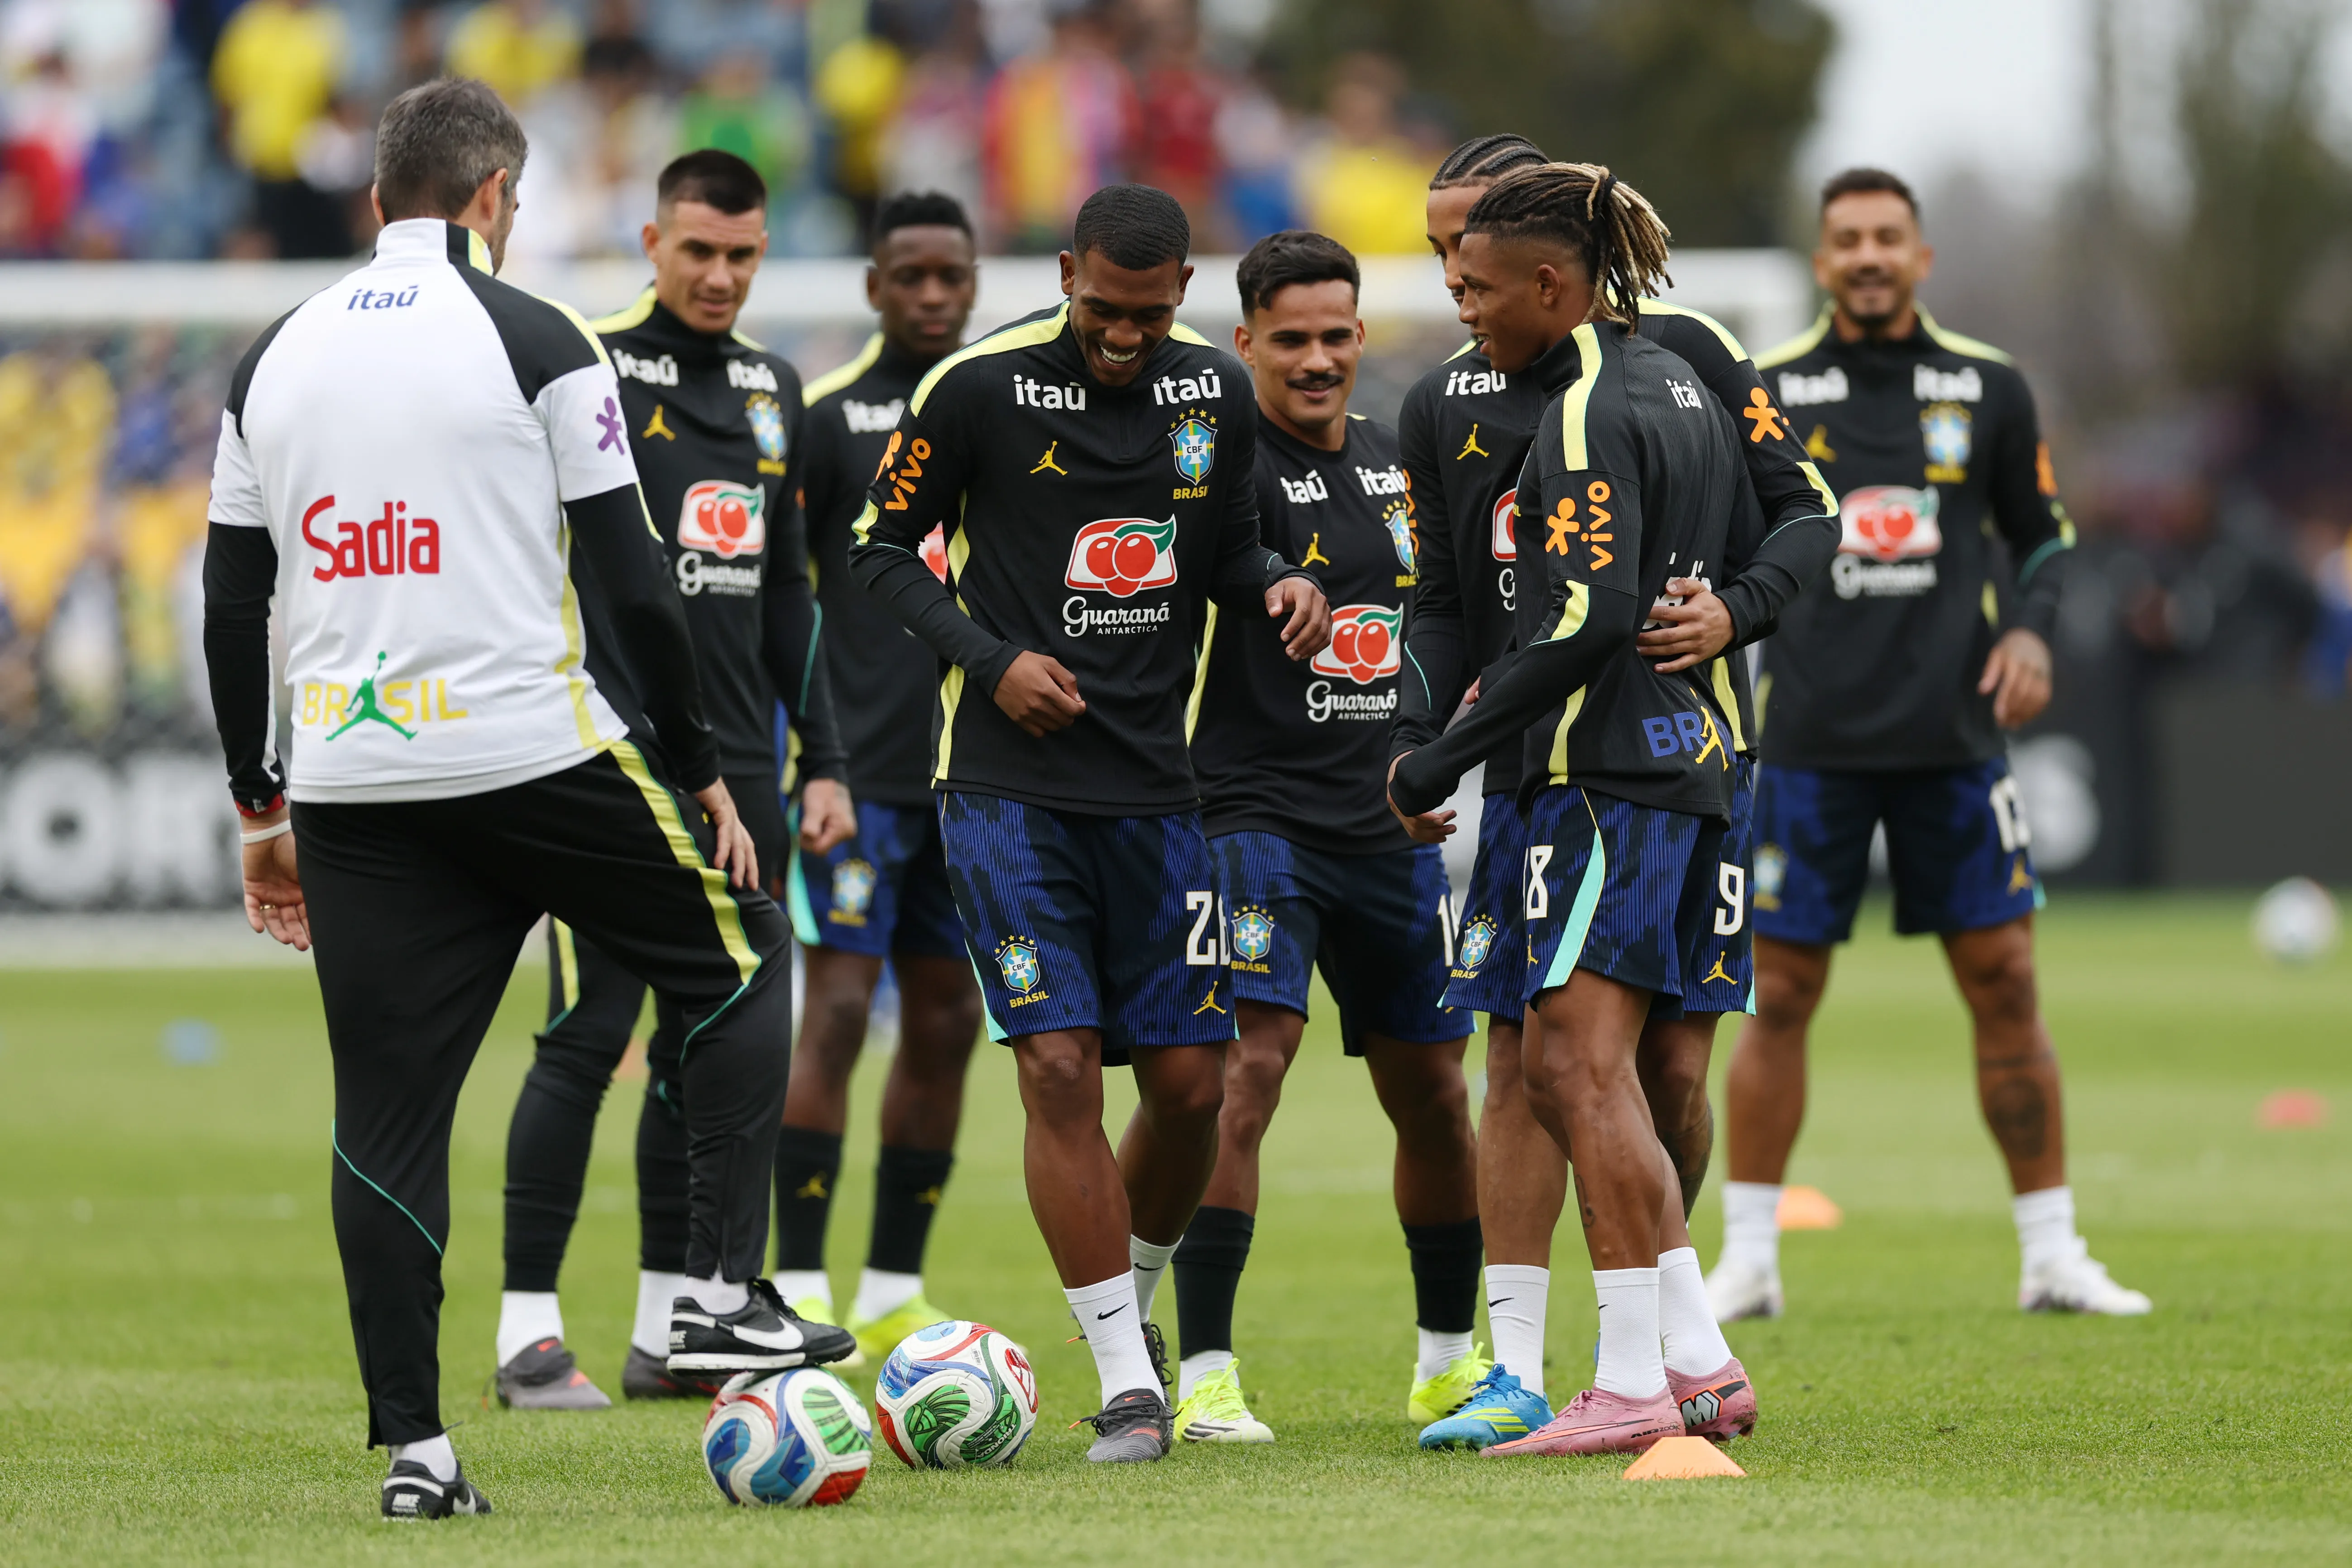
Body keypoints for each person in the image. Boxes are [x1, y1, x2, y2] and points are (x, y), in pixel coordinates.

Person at [201, 78, 847, 1521]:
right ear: (497, 195)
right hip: (529, 753)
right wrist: (701, 769)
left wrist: (261, 810)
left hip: (356, 783)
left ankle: (419, 1455)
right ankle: (720, 1293)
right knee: (744, 955)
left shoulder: (271, 355)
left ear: (378, 199)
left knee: (383, 1116)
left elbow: (231, 598)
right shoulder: (542, 339)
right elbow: (635, 578)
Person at [848, 183, 1330, 1463]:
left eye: (1148, 313)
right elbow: (878, 547)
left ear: (1184, 293)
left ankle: (1135, 1305)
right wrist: (988, 656)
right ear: (1066, 272)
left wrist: (1280, 580)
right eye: (1102, 310)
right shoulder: (973, 387)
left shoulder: (1211, 396)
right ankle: (1127, 1381)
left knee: (1188, 1088)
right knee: (1057, 1064)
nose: (1122, 335)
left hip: (1157, 793)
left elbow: (1225, 544)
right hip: (1006, 788)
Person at [1394, 139, 1839, 1450]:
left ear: (1545, 262)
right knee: (1533, 1059)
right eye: (1438, 258)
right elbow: (1441, 600)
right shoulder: (1446, 404)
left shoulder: (1669, 359)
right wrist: (1430, 721)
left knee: (1632, 1069)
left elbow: (1797, 515)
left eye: (1468, 258)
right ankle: (1544, 1360)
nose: (1454, 290)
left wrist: (1737, 610)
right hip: (1553, 755)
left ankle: (1651, 1354)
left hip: (1623, 754)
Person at [1707, 169, 2151, 1323]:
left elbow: (2044, 539)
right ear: (1819, 260)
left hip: (1955, 741)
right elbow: (1723, 543)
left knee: (2004, 980)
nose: (1865, 255)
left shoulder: (1988, 387)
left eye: (1886, 238)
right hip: (1807, 742)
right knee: (1782, 992)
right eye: (1845, 238)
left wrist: (2034, 639)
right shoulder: (1769, 391)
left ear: (1920, 257)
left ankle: (2051, 1252)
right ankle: (1748, 1256)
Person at [491, 147, 857, 1409]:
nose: (719, 275)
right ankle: (527, 1328)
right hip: (614, 752)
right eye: (697, 251)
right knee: (591, 1030)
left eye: (742, 256)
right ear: (651, 242)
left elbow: (790, 589)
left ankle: (671, 1321)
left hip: (745, 766)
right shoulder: (588, 362)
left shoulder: (773, 388)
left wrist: (824, 756)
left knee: (717, 1035)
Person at [1164, 229, 1480, 1447]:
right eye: (1288, 338)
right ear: (1243, 341)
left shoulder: (1404, 467)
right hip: (1247, 814)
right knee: (1249, 1069)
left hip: (1386, 823)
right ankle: (1204, 1370)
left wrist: (1429, 749)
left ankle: (1446, 1364)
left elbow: (1432, 631)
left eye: (1335, 335)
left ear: (1362, 335)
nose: (1315, 359)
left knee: (1436, 1093)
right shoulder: (1209, 469)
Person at [775, 189, 987, 1363]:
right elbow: (783, 596)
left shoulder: (1004, 406)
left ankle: (894, 1281)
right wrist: (815, 756)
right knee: (842, 1008)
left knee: (950, 1016)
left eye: (949, 275)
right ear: (874, 286)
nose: (930, 295)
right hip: (854, 778)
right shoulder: (825, 420)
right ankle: (799, 1279)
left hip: (969, 778)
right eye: (909, 275)